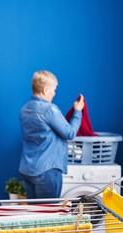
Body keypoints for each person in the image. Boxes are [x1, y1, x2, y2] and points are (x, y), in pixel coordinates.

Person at [18, 70, 85, 199]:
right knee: (48, 215)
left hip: (27, 170)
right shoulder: (49, 109)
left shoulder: (24, 109)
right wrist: (77, 111)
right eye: (53, 89)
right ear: (45, 90)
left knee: (34, 216)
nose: (54, 93)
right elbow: (70, 133)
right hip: (46, 171)